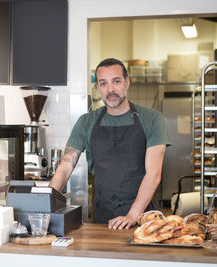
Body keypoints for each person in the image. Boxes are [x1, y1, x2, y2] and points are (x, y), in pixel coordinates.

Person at [49, 58, 169, 229]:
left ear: (127, 83)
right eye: (103, 84)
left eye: (116, 82)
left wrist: (132, 215)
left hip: (144, 219)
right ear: (98, 87)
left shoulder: (151, 119)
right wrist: (44, 204)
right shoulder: (86, 122)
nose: (110, 90)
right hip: (103, 217)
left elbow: (154, 174)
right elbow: (66, 166)